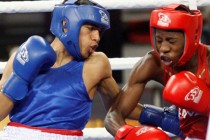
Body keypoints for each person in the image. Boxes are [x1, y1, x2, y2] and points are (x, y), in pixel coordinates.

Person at [0, 0, 122, 139]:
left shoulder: (96, 64)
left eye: (99, 31)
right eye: (90, 28)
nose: (97, 37)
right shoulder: (24, 56)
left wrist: (150, 114)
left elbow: (122, 106)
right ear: (65, 25)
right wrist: (19, 78)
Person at [105, 4, 209, 140]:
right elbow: (113, 115)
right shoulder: (153, 63)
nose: (163, 48)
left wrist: (206, 103)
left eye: (171, 41)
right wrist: (127, 134)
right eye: (159, 40)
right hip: (188, 132)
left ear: (192, 37)